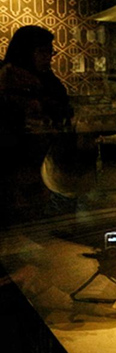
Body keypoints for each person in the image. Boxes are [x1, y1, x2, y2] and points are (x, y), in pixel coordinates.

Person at [0, 25, 73, 224]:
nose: (49, 57)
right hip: (14, 164)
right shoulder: (6, 77)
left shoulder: (49, 81)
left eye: (50, 52)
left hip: (44, 164)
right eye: (43, 51)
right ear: (26, 51)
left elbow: (65, 108)